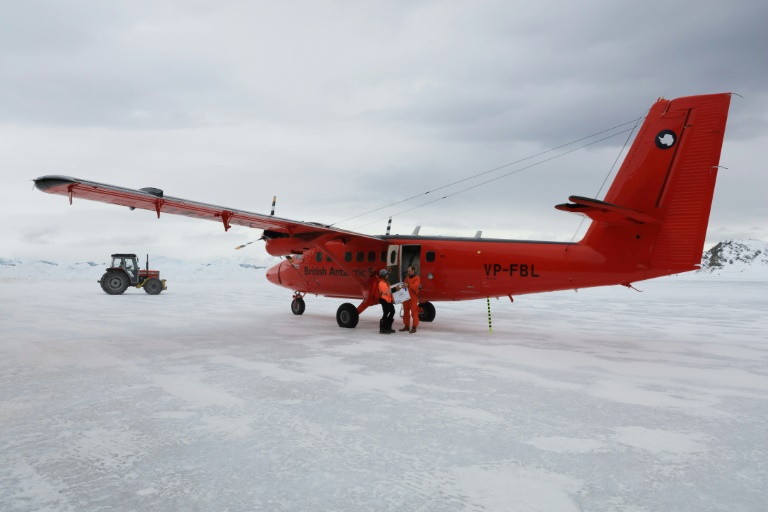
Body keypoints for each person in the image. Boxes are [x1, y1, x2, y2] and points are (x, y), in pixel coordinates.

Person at [400, 265, 421, 333]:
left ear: (413, 271)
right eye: (408, 271)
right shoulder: (406, 278)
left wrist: (408, 285)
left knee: (414, 313)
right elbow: (404, 287)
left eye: (409, 271)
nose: (408, 272)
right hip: (406, 297)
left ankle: (414, 327)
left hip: (413, 298)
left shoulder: (417, 278)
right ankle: (406, 326)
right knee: (406, 312)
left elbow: (415, 286)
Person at [377, 268, 396, 334]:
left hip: (388, 300)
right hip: (384, 300)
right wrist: (395, 289)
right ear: (384, 276)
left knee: (392, 312)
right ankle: (383, 329)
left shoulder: (385, 283)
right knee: (385, 314)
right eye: (386, 274)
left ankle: (388, 327)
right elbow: (387, 292)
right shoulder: (382, 283)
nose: (388, 276)